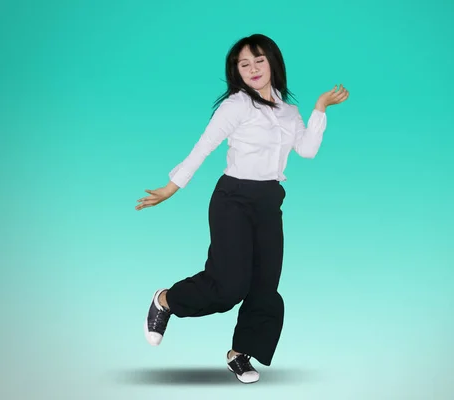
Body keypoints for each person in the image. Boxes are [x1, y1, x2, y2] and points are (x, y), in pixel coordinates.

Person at [135, 33, 349, 384]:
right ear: (236, 71)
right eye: (243, 64)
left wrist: (320, 108)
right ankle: (166, 300)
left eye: (259, 60)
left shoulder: (289, 111)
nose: (252, 69)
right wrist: (172, 187)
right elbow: (203, 147)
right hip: (233, 199)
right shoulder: (235, 106)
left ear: (273, 63)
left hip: (269, 201)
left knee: (265, 285)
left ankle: (240, 353)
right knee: (230, 285)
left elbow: (308, 150)